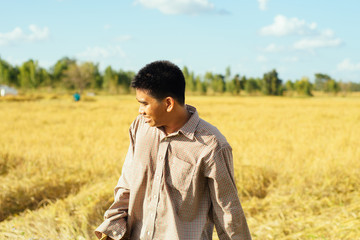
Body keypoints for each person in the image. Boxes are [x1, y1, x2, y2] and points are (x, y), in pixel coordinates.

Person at [95, 60, 251, 240]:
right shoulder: (140, 128)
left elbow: (228, 213)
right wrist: (112, 227)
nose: (140, 111)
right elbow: (127, 183)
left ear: (168, 103)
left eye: (145, 103)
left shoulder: (211, 146)